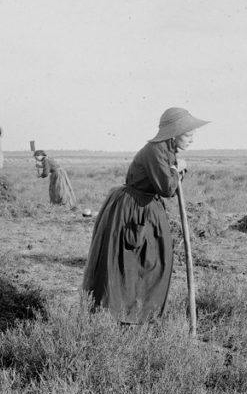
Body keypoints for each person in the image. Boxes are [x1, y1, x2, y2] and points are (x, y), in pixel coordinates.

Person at [82, 107, 209, 325]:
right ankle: (119, 316)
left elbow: (167, 185)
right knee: (126, 264)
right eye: (188, 135)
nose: (192, 139)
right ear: (174, 133)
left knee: (151, 263)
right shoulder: (156, 150)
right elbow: (167, 188)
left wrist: (177, 169)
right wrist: (179, 170)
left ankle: (137, 315)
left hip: (146, 209)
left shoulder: (167, 151)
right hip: (132, 211)